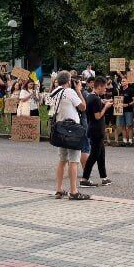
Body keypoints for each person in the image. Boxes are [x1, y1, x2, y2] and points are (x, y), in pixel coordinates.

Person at [48, 71, 89, 200]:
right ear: (68, 80)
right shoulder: (69, 92)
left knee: (62, 160)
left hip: (60, 129)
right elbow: (83, 107)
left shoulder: (54, 92)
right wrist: (78, 91)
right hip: (72, 130)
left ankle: (59, 189)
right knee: (73, 161)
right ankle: (73, 191)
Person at [81, 75, 113, 187]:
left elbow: (98, 102)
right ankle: (84, 179)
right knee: (94, 155)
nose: (106, 89)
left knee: (101, 154)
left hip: (95, 129)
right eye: (104, 87)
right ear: (99, 86)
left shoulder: (91, 96)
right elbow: (98, 116)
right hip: (96, 130)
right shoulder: (94, 99)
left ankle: (104, 177)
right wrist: (106, 107)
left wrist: (104, 102)